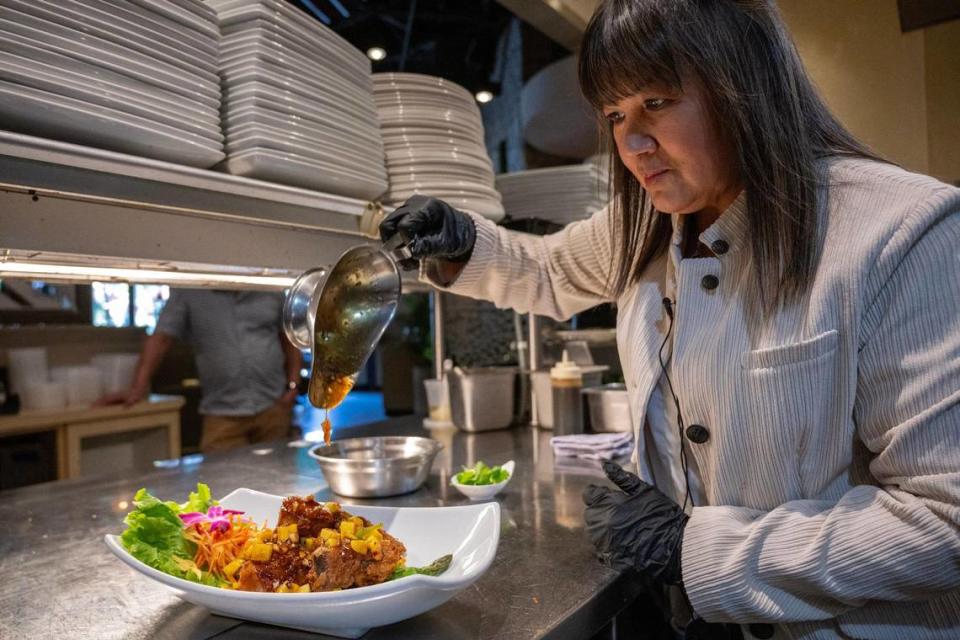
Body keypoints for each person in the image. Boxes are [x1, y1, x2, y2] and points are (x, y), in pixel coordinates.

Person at [378, 1, 960, 638]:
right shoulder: (648, 225)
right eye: (615, 114)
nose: (630, 144)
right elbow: (548, 270)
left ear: (745, 84)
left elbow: (943, 520)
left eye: (655, 101)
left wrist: (695, 551)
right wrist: (465, 241)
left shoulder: (901, 232)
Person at [99, 289, 302, 453]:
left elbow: (290, 339)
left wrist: (293, 385)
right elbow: (161, 338)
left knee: (278, 482)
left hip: (273, 406)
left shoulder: (269, 288)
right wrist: (137, 387)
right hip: (221, 413)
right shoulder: (190, 290)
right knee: (221, 490)